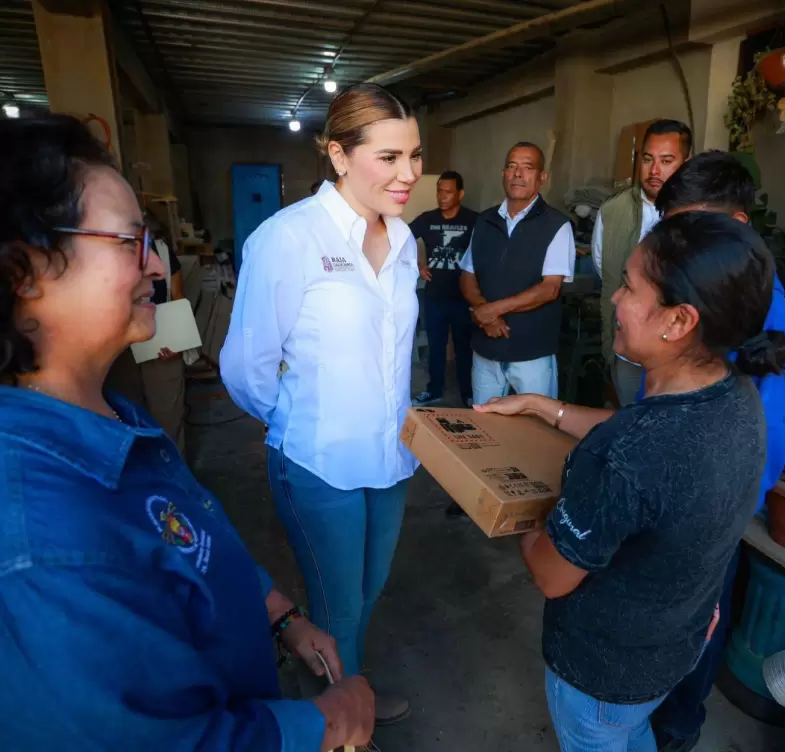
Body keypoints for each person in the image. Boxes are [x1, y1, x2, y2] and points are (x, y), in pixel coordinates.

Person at [0, 115, 373, 751]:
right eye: (128, 242)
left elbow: (186, 540)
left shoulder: (113, 417)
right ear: (27, 271)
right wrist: (330, 720)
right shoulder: (45, 545)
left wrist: (280, 616)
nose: (155, 262)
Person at [478, 211, 785, 752]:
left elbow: (554, 576)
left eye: (628, 285)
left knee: (604, 736)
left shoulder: (628, 457)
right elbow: (643, 436)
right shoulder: (735, 396)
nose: (614, 300)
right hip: (678, 642)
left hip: (602, 674)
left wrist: (513, 506)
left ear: (678, 321)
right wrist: (543, 407)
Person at [221, 83, 421, 727]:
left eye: (414, 156)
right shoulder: (289, 239)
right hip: (318, 463)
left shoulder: (404, 241)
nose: (409, 174)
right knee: (335, 606)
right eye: (389, 158)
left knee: (365, 595)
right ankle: (339, 725)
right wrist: (299, 422)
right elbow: (245, 367)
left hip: (391, 458)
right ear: (339, 155)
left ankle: (350, 689)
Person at [647, 150, 785, 752]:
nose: (676, 245)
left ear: (735, 224)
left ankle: (675, 734)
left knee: (692, 645)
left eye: (688, 228)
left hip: (705, 517)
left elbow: (767, 442)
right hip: (664, 503)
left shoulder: (764, 314)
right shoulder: (694, 288)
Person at [459, 141, 576, 404]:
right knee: (484, 427)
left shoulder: (557, 225)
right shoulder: (485, 220)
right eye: (512, 166)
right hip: (486, 350)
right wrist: (484, 311)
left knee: (535, 430)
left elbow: (550, 289)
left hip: (531, 352)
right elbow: (468, 275)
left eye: (527, 167)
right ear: (503, 174)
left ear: (542, 177)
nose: (518, 174)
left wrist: (493, 310)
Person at [593, 119, 691, 406]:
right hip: (627, 347)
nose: (655, 171)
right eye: (647, 159)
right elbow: (605, 269)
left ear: (686, 162)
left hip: (678, 353)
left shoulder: (696, 216)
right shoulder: (613, 211)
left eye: (667, 160)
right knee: (628, 419)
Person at [105, 212, 187, 451]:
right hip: (121, 347)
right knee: (127, 414)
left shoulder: (162, 254)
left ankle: (171, 477)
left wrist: (180, 341)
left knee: (167, 417)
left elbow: (177, 298)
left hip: (161, 341)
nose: (154, 269)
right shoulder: (110, 257)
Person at [410, 171, 477, 407]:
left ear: (460, 194)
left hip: (464, 297)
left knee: (464, 349)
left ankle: (468, 394)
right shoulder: (427, 219)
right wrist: (417, 264)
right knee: (436, 347)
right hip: (435, 296)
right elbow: (401, 239)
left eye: (448, 192)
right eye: (439, 191)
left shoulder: (474, 221)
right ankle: (434, 390)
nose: (442, 196)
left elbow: (488, 252)